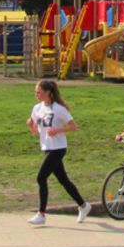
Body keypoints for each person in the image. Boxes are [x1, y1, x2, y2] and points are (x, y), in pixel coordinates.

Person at [26, 80, 91, 226]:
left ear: (48, 93)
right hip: (47, 148)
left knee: (41, 178)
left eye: (39, 92)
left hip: (58, 148)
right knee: (63, 180)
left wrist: (57, 130)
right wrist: (31, 126)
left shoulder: (58, 109)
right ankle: (83, 205)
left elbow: (73, 127)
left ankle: (41, 214)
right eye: (36, 92)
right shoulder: (37, 108)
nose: (36, 94)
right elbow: (37, 131)